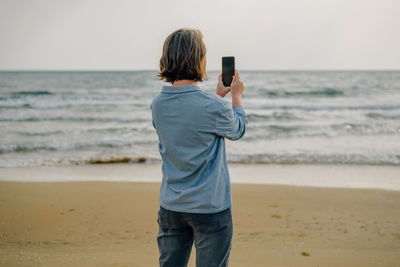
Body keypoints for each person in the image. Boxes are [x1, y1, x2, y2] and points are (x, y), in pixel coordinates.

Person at [151, 28, 247, 267]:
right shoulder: (213, 106)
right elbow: (237, 129)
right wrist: (236, 97)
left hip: (171, 206)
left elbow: (187, 125)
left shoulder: (158, 103)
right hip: (210, 207)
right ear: (199, 60)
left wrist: (217, 97)